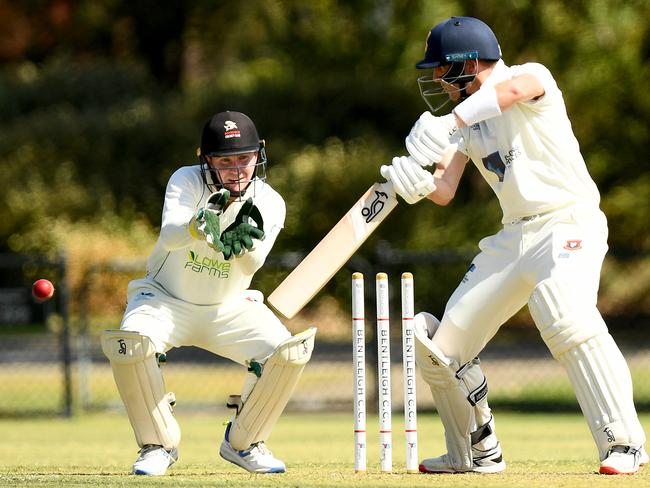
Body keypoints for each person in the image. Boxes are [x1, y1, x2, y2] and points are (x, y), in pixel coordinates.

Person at [380, 16, 647, 475]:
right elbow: (445, 189)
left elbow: (513, 92)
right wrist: (412, 183)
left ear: (467, 65)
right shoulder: (464, 126)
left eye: (443, 70)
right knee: (445, 348)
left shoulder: (531, 76)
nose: (439, 82)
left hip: (568, 221)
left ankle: (624, 443)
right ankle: (475, 451)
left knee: (562, 309)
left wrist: (451, 122)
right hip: (513, 236)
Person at [100, 111, 316, 476]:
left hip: (227, 308)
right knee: (131, 344)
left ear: (258, 156)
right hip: (165, 299)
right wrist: (198, 226)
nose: (236, 170)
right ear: (207, 160)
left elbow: (253, 264)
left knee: (289, 353)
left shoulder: (270, 201)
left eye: (244, 159)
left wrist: (238, 243)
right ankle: (157, 445)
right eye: (225, 161)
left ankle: (245, 443)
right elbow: (169, 235)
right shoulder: (186, 180)